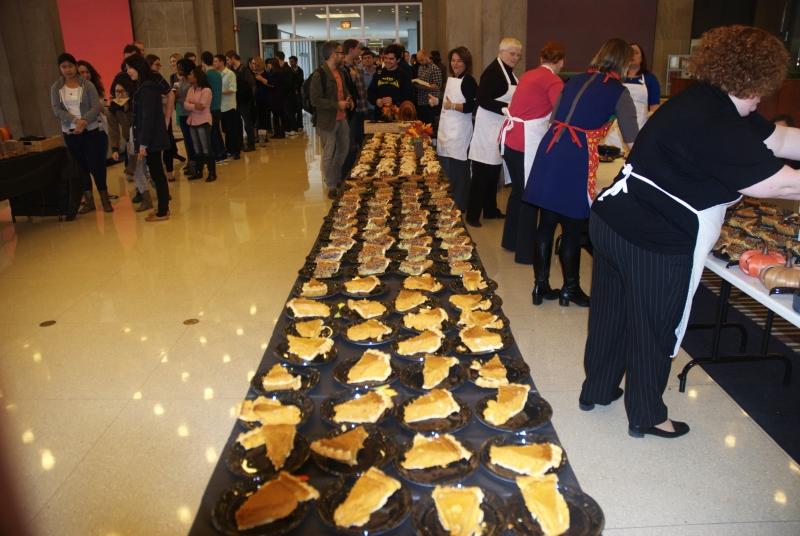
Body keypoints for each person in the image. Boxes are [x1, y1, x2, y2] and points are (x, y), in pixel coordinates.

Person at [581, 25, 800, 439]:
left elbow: (780, 138)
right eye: (760, 91)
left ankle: (597, 388)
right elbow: (776, 184)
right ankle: (646, 414)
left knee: (611, 314)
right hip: (654, 238)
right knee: (654, 325)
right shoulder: (717, 120)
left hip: (612, 219)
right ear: (751, 78)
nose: (761, 101)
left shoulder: (708, 100)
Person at [523, 38, 638, 308]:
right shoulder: (619, 92)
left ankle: (540, 286)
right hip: (576, 157)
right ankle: (569, 289)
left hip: (550, 149)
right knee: (573, 228)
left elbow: (554, 119)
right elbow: (634, 142)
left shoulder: (571, 81)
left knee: (546, 223)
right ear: (624, 63)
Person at [500, 41, 565, 269]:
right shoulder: (554, 80)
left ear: (540, 59)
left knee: (518, 192)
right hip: (524, 142)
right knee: (530, 195)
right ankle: (525, 252)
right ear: (560, 62)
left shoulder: (528, 75)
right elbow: (561, 112)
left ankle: (510, 240)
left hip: (510, 140)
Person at [466, 37, 522, 227]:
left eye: (518, 55)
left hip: (500, 127)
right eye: (512, 54)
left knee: (493, 172)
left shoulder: (510, 74)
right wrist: (506, 108)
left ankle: (490, 210)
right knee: (482, 173)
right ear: (502, 52)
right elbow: (481, 99)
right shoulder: (493, 72)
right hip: (488, 128)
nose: (515, 58)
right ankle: (472, 215)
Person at [50, 53, 113, 213]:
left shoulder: (87, 85)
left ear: (75, 66)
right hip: (71, 133)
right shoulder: (56, 87)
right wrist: (74, 121)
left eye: (70, 66)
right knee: (80, 166)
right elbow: (57, 110)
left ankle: (105, 199)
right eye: (64, 67)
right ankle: (89, 201)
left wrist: (84, 121)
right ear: (60, 68)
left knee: (97, 165)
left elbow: (95, 107)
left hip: (92, 131)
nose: (68, 70)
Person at [125, 53, 171, 221]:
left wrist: (143, 143)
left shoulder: (148, 88)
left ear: (137, 67)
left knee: (157, 174)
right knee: (158, 172)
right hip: (151, 138)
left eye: (129, 68)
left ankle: (163, 211)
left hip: (152, 139)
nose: (128, 71)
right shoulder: (145, 86)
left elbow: (147, 118)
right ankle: (163, 209)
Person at [310, 41, 353, 199]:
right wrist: (337, 104)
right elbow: (315, 100)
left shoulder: (340, 72)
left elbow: (343, 90)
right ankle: (332, 185)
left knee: (343, 149)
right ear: (332, 54)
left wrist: (349, 98)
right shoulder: (319, 75)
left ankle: (335, 176)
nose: (343, 55)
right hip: (327, 121)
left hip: (342, 119)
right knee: (328, 154)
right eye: (340, 53)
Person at [604, 42, 661, 150]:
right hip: (615, 130)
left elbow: (655, 108)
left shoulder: (650, 79)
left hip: (639, 128)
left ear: (642, 58)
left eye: (636, 53)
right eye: (629, 53)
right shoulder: (616, 79)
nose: (632, 55)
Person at [146, 54, 177, 182]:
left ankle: (169, 170)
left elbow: (170, 94)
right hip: (149, 119)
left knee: (167, 143)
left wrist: (167, 118)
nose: (159, 67)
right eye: (156, 64)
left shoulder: (157, 77)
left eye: (159, 64)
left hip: (162, 117)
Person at [184, 66, 216, 182]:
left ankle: (212, 173)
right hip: (192, 121)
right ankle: (199, 171)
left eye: (191, 75)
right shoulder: (191, 89)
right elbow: (185, 105)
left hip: (203, 121)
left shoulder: (206, 90)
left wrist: (191, 104)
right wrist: (193, 105)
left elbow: (202, 107)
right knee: (197, 148)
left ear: (197, 76)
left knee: (206, 148)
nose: (189, 76)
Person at [367, 43, 413, 118]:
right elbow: (370, 92)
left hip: (398, 116)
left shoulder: (404, 75)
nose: (387, 61)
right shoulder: (379, 73)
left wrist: (394, 100)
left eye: (391, 59)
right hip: (379, 116)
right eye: (386, 58)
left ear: (398, 60)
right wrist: (376, 100)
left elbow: (409, 96)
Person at [226, 50, 256, 151]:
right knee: (237, 123)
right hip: (235, 100)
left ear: (233, 58)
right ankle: (240, 144)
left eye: (228, 59)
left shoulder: (244, 70)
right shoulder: (230, 70)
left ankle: (251, 143)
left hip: (244, 100)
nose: (227, 62)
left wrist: (250, 97)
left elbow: (251, 84)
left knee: (247, 122)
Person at [201, 51, 227, 161]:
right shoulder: (217, 73)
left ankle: (218, 154)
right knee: (217, 131)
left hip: (211, 107)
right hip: (218, 106)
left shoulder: (208, 75)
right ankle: (222, 152)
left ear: (203, 61)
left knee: (213, 133)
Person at [174, 58, 197, 174]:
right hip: (182, 112)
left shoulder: (191, 81)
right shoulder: (182, 80)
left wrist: (177, 97)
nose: (178, 70)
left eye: (180, 67)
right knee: (187, 141)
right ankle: (191, 161)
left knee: (191, 140)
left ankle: (195, 162)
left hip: (190, 113)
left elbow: (191, 98)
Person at [216, 53, 241, 159]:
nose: (214, 63)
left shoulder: (230, 74)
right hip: (220, 106)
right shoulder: (217, 74)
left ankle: (236, 151)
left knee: (233, 129)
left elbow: (233, 89)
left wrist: (219, 92)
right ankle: (229, 149)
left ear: (222, 62)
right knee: (226, 130)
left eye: (216, 61)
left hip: (230, 106)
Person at [413, 49, 442, 127]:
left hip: (430, 103)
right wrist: (417, 83)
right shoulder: (420, 67)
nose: (420, 62)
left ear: (427, 56)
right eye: (419, 61)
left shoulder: (435, 68)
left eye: (421, 60)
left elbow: (437, 86)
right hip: (421, 101)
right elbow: (420, 80)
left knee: (429, 127)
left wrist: (425, 86)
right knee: (421, 126)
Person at [252, 57, 272, 144]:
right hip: (255, 99)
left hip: (265, 99)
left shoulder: (266, 74)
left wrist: (262, 79)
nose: (252, 65)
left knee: (264, 118)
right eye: (252, 63)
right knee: (257, 119)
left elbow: (271, 84)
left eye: (254, 63)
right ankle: (259, 137)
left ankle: (263, 137)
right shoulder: (251, 74)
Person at [360, 49, 377, 119]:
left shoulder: (380, 73)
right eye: (365, 58)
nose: (367, 60)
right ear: (362, 61)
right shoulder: (359, 74)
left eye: (369, 57)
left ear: (374, 59)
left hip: (377, 106)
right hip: (365, 107)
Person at [288, 55, 304, 130]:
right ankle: (293, 126)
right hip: (290, 93)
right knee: (291, 110)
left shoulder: (300, 70)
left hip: (298, 93)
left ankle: (300, 125)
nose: (291, 63)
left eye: (292, 62)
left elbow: (301, 81)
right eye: (290, 62)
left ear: (296, 62)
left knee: (299, 109)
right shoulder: (288, 70)